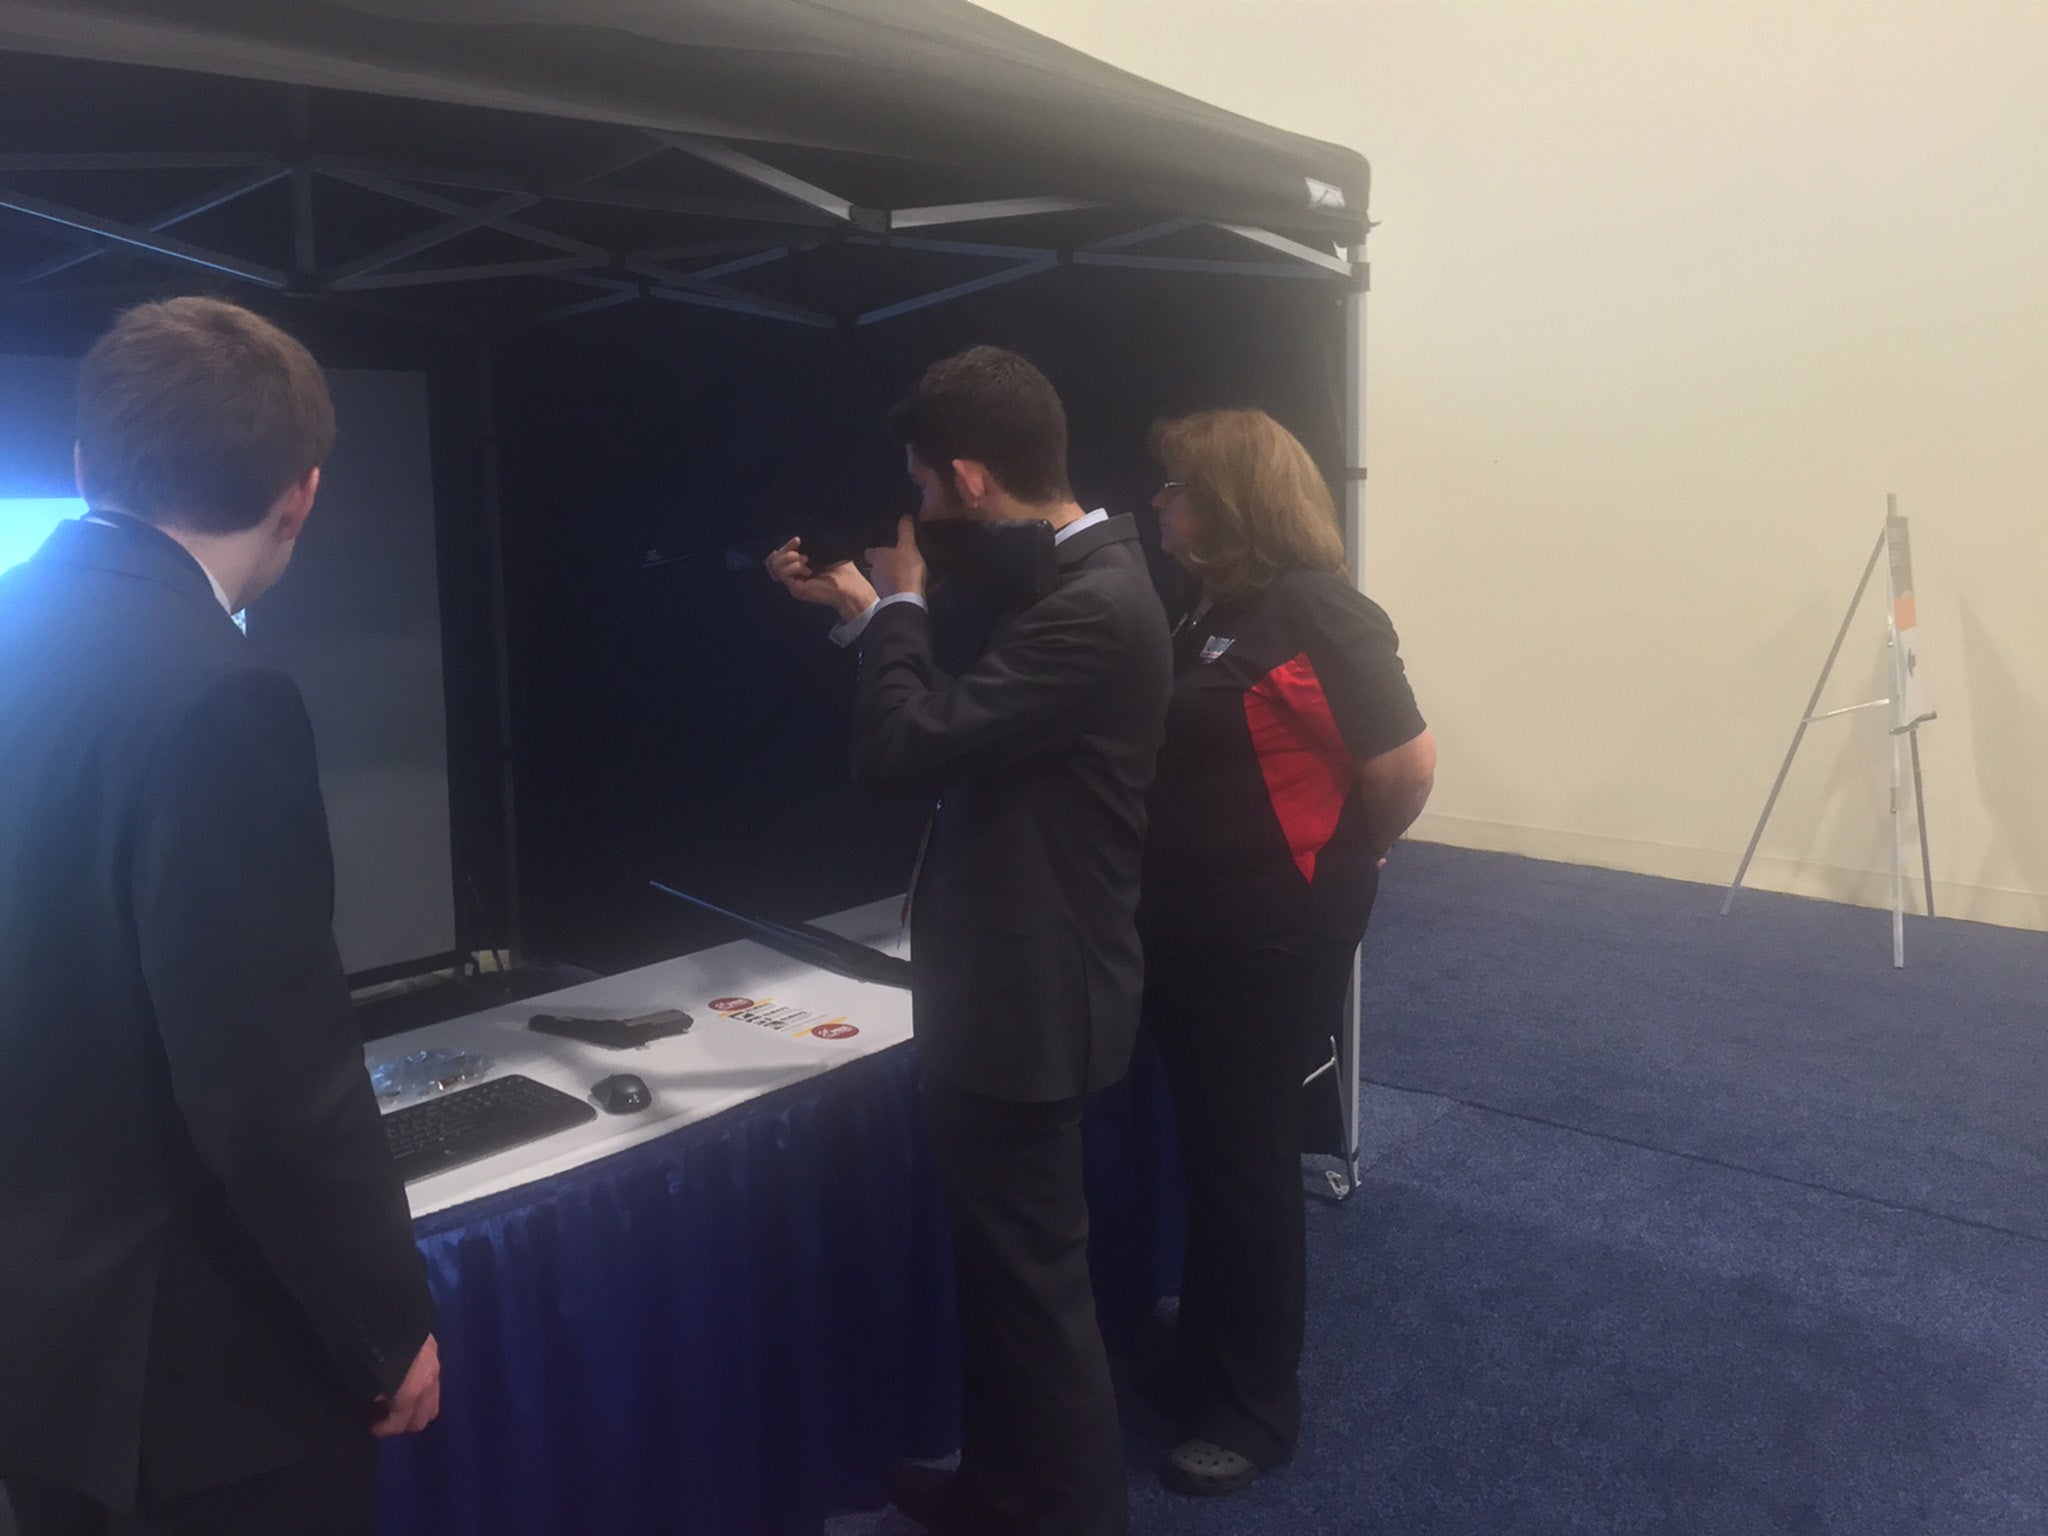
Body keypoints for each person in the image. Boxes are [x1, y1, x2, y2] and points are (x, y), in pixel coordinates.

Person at [0, 297, 440, 1536]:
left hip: (42, 1351)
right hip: (199, 1386)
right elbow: (265, 1087)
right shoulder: (220, 694)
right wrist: (384, 1322)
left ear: (86, 465)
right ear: (301, 495)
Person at [766, 346, 1171, 1536]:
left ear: (972, 476)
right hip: (1019, 984)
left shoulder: (1091, 606)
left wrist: (891, 607)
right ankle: (1002, 1492)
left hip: (1029, 999)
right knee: (1006, 1288)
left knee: (1036, 1296)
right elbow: (965, 729)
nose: (927, 519)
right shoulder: (1082, 580)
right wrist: (868, 617)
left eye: (929, 494)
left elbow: (905, 749)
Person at [1137, 408, 1436, 1496]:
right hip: (1193, 924)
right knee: (1216, 1151)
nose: (1160, 504)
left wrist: (1339, 866)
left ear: (1228, 505)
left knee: (1250, 1159)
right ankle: (1206, 1360)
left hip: (1276, 931)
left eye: (1175, 489)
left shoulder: (1317, 608)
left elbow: (1403, 766)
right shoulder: (1209, 611)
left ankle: (1256, 1408)